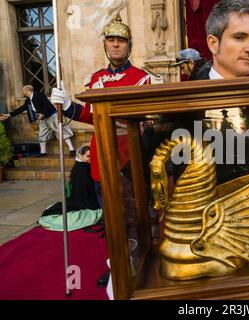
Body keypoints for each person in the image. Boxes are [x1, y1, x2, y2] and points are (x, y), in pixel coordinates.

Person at [51, 13, 163, 290]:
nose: (115, 45)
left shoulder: (144, 80)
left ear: (129, 45)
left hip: (131, 161)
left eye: (121, 40)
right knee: (110, 220)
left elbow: (152, 120)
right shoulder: (95, 80)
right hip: (102, 162)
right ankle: (117, 264)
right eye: (111, 40)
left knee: (137, 218)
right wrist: (65, 106)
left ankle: (141, 263)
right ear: (105, 45)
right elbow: (89, 115)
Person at [0, 85, 75, 157]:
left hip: (52, 115)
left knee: (61, 131)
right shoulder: (28, 100)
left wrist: (42, 113)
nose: (22, 91)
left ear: (27, 90)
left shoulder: (38, 94)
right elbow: (21, 108)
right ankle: (43, 152)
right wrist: (9, 115)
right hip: (43, 118)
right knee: (42, 134)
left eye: (23, 90)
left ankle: (72, 149)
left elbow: (47, 104)